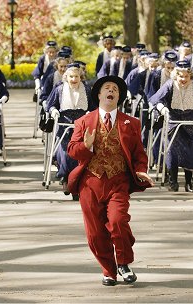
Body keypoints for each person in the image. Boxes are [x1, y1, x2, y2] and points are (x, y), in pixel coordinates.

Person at [67, 75, 153, 286]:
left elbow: (139, 155)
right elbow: (72, 151)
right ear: (99, 94)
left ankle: (123, 262)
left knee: (118, 221)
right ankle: (109, 270)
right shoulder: (83, 122)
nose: (111, 90)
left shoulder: (131, 123)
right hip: (90, 183)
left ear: (118, 96)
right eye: (107, 87)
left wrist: (141, 171)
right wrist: (86, 147)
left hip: (118, 181)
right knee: (95, 233)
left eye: (115, 88)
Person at [149, 61, 193, 192]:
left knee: (191, 150)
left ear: (190, 76)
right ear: (176, 75)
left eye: (186, 76)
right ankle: (173, 180)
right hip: (173, 120)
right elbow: (156, 99)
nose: (183, 79)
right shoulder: (170, 85)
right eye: (181, 76)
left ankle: (188, 182)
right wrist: (163, 109)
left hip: (192, 122)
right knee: (172, 150)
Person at [45, 63, 96, 200]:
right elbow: (50, 105)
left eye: (77, 77)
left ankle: (78, 183)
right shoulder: (59, 89)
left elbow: (93, 106)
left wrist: (90, 113)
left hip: (81, 123)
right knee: (65, 152)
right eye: (71, 77)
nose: (74, 79)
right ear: (66, 77)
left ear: (81, 77)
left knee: (80, 152)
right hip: (64, 123)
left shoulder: (86, 89)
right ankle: (67, 179)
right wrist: (54, 111)